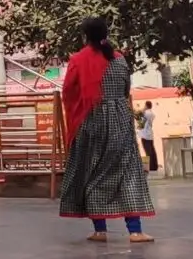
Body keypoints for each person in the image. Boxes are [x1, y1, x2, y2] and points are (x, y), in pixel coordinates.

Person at [59, 18, 154, 244]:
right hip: (120, 119)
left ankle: (100, 230)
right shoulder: (119, 59)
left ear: (85, 36)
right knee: (129, 171)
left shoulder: (78, 60)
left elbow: (68, 93)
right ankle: (135, 231)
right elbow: (125, 90)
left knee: (93, 172)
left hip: (91, 120)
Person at [138, 101, 159, 173]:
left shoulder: (146, 113)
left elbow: (139, 117)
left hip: (144, 134)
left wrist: (143, 109)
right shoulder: (152, 114)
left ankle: (148, 167)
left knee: (147, 151)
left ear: (146, 105)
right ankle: (154, 166)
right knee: (152, 150)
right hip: (150, 134)